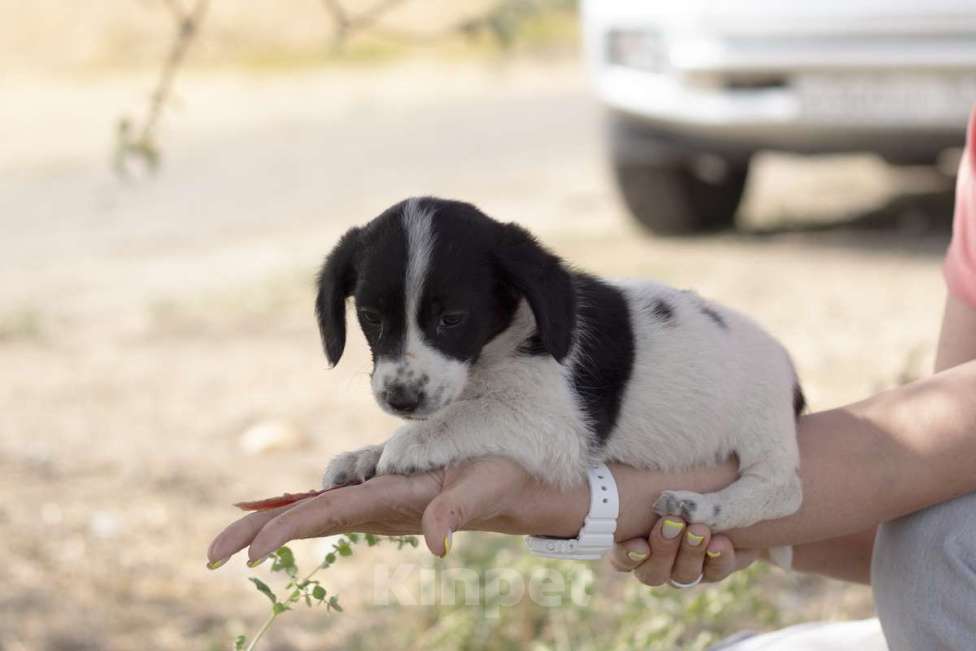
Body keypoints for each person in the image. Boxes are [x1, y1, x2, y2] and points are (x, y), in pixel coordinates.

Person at [207, 110, 976, 650]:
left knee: (937, 548)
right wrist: (724, 524)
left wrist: (431, 456)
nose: (402, 373)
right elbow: (924, 472)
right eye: (376, 323)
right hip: (783, 449)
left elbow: (547, 434)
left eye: (445, 321)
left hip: (748, 392)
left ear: (518, 295)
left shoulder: (548, 334)